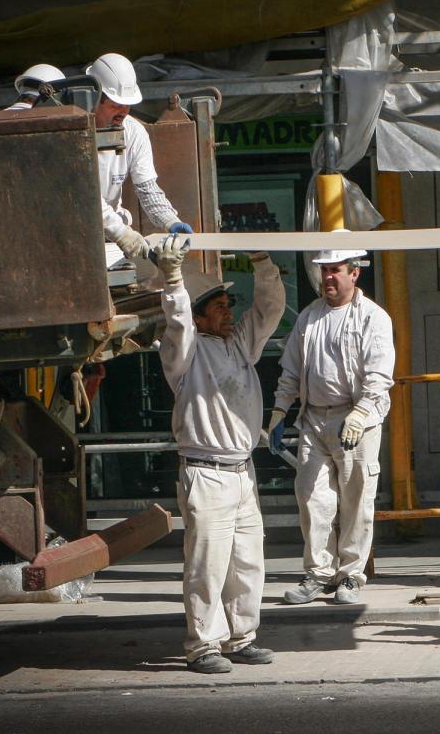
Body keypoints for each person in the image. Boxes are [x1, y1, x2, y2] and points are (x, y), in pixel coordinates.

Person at [155, 234, 285, 673]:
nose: (229, 312)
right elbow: (177, 323)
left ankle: (240, 636)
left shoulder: (237, 344)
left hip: (240, 471)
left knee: (247, 560)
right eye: (219, 307)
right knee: (207, 565)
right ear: (199, 316)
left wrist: (262, 261)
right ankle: (203, 645)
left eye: (228, 306)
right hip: (206, 473)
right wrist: (174, 279)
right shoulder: (184, 355)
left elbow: (269, 310)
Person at [268, 234, 395, 605]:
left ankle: (351, 574)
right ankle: (319, 573)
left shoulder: (374, 318)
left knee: (357, 499)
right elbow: (291, 372)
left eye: (335, 270)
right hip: (314, 421)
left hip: (358, 420)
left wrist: (360, 413)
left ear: (354, 273)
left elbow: (379, 375)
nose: (327, 277)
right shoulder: (309, 317)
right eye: (324, 270)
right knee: (312, 498)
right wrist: (279, 412)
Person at [86, 52, 193, 261]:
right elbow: (84, 196)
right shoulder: (70, 134)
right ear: (94, 97)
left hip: (108, 237)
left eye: (127, 105)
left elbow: (147, 189)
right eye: (116, 104)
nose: (123, 111)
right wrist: (121, 233)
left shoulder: (133, 132)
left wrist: (170, 221)